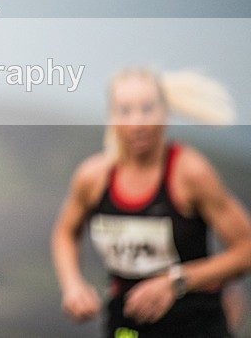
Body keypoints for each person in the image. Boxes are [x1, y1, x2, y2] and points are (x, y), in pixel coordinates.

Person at [52, 68, 251, 337]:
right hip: (127, 324)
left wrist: (176, 282)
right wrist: (72, 285)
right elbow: (65, 232)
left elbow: (246, 250)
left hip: (196, 325)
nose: (137, 123)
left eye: (147, 109)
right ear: (111, 116)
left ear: (165, 113)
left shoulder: (190, 173)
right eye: (125, 111)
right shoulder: (93, 177)